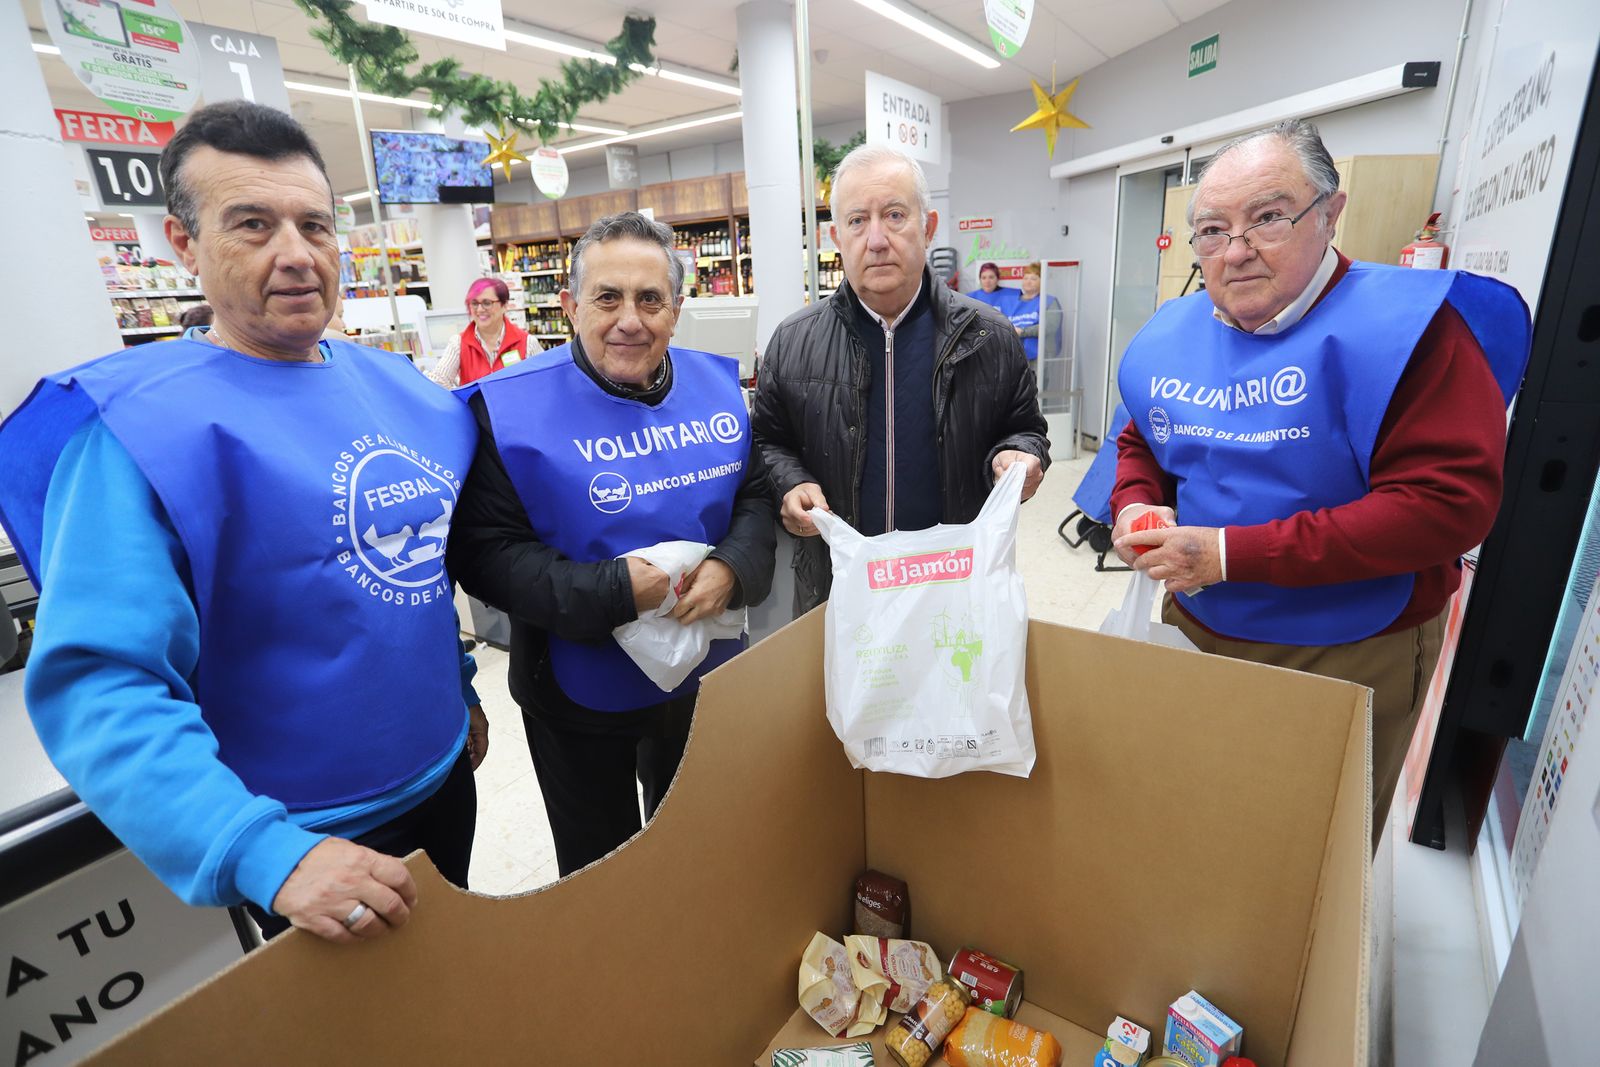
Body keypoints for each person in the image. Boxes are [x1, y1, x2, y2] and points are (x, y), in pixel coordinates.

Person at [0, 100, 489, 943]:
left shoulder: (401, 389)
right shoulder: (139, 433)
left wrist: (459, 691)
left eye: (315, 225)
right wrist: (267, 854)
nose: (295, 255)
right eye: (253, 225)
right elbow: (100, 683)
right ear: (183, 244)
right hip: (305, 838)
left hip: (444, 779)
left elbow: (413, 568)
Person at [1109, 119, 1530, 846]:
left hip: (1348, 642)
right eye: (1212, 230)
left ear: (1330, 213)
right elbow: (1140, 437)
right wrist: (1135, 501)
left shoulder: (1410, 332)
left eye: (1268, 217)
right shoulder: (1175, 331)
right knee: (1184, 819)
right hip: (1194, 625)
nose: (1235, 250)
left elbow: (1447, 506)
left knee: (1303, 849)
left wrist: (1232, 554)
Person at [446, 211, 775, 876]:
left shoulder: (719, 388)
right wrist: (613, 590)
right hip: (574, 692)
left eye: (651, 299)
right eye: (608, 297)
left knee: (698, 842)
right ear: (569, 306)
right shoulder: (506, 410)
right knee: (602, 866)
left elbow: (756, 495)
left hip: (704, 676)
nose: (631, 318)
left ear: (676, 311)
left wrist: (735, 568)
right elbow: (484, 552)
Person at [752, 144, 1050, 613]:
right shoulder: (793, 342)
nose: (875, 239)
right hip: (838, 591)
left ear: (927, 227)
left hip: (956, 590)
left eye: (894, 215)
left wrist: (1021, 455)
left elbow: (1025, 427)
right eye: (857, 221)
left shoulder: (988, 335)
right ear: (836, 236)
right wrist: (790, 483)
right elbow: (768, 441)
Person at [427, 277, 531, 387]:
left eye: (487, 303)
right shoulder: (458, 344)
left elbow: (543, 382)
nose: (480, 309)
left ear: (504, 305)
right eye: (474, 303)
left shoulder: (527, 342)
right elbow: (438, 381)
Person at [1008, 262, 1064, 373]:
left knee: (1036, 387)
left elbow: (1050, 326)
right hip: (1014, 356)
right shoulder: (1011, 302)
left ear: (1042, 281)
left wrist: (1022, 332)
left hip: (1039, 356)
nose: (1028, 281)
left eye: (1033, 278)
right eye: (1026, 278)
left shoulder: (1050, 301)